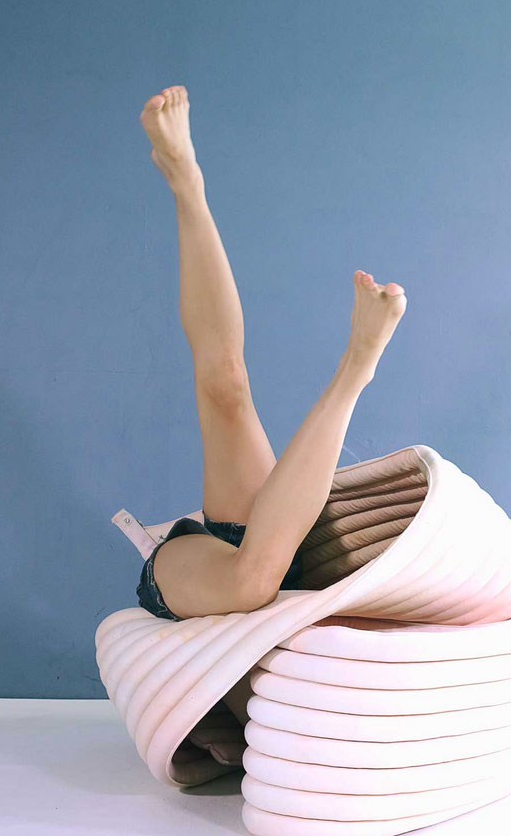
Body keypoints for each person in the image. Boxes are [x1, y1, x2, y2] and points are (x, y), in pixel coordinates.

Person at [133, 85, 407, 621]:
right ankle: (187, 181)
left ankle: (357, 368)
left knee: (226, 386)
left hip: (253, 559)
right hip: (254, 560)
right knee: (227, 385)